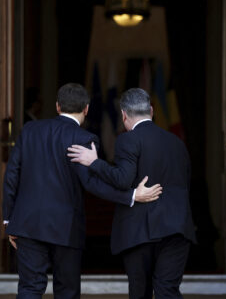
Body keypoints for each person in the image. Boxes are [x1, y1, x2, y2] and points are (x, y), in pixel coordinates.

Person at [2, 83, 162, 299]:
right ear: (86, 109)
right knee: (67, 292)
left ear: (58, 106)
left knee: (29, 289)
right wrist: (132, 196)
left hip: (27, 223)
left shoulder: (30, 130)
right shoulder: (84, 138)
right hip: (65, 227)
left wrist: (8, 219)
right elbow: (93, 184)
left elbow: (12, 174)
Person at [68, 88, 196, 299]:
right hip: (176, 228)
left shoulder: (128, 139)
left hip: (140, 231)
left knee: (140, 292)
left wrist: (94, 162)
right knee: (168, 290)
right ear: (152, 111)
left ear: (124, 114)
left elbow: (122, 179)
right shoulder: (177, 142)